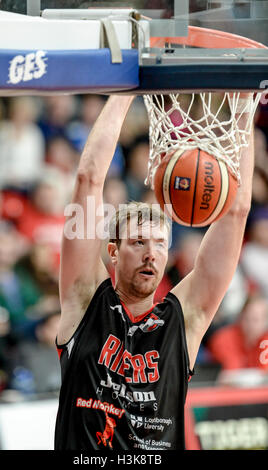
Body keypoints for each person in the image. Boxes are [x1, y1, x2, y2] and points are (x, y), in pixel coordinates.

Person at [54, 95, 254, 450]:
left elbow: (236, 213)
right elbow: (87, 179)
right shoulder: (86, 300)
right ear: (112, 252)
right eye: (139, 242)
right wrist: (122, 91)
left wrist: (241, 110)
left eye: (160, 244)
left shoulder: (183, 320)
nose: (151, 254)